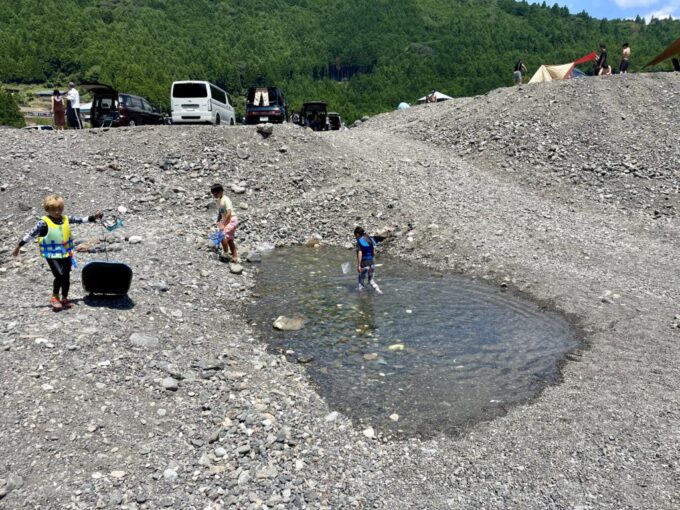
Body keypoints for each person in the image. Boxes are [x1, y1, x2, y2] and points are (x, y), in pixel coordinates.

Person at [11, 195, 103, 310]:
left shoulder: (65, 219)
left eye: (59, 209)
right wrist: (18, 247)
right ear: (47, 209)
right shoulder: (43, 223)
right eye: (54, 209)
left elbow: (80, 220)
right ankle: (55, 297)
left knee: (66, 276)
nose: (57, 212)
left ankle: (64, 298)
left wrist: (95, 217)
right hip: (51, 254)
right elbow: (30, 235)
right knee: (59, 275)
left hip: (66, 253)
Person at [210, 183, 238, 263]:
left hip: (232, 220)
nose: (215, 195)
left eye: (216, 193)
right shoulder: (219, 201)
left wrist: (223, 224)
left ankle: (226, 253)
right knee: (229, 240)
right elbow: (220, 212)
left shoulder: (226, 199)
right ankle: (235, 257)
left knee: (222, 235)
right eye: (213, 194)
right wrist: (218, 221)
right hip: (227, 220)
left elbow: (229, 212)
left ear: (221, 191)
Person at [354, 226, 382, 294]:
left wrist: (359, 265)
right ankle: (379, 291)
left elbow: (360, 253)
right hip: (371, 264)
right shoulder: (369, 240)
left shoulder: (359, 241)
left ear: (357, 234)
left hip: (364, 264)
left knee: (361, 282)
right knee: (371, 281)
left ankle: (362, 298)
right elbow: (374, 253)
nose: (355, 237)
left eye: (355, 235)